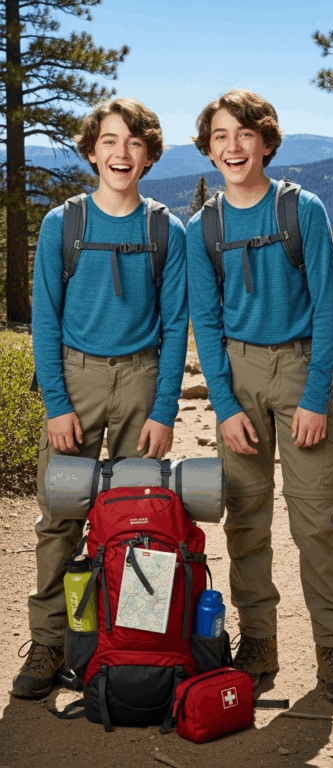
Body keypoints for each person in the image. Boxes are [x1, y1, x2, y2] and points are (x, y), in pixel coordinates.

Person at [186, 89, 333, 703]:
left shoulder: (302, 210)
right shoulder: (202, 227)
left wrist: (316, 395)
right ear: (208, 150)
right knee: (246, 521)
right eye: (220, 137)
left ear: (265, 140)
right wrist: (225, 408)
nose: (232, 147)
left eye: (243, 134)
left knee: (316, 521)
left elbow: (327, 307)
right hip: (237, 377)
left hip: (299, 373)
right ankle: (258, 642)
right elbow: (204, 323)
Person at [12, 98, 188, 699]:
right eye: (110, 142)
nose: (122, 153)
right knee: (60, 519)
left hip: (142, 383)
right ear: (91, 152)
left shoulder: (167, 230)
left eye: (135, 143)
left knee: (142, 519)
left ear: (149, 155)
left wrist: (165, 409)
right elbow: (46, 319)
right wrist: (56, 403)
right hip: (76, 382)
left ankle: (134, 645)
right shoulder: (64, 224)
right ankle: (49, 643)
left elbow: (176, 324)